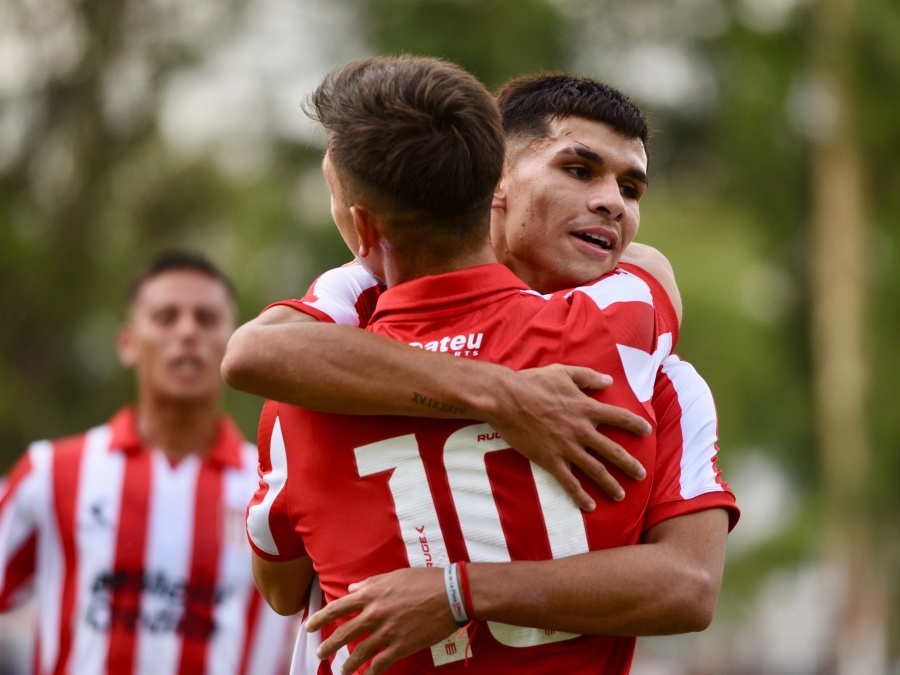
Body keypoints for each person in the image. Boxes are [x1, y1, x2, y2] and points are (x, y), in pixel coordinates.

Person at [238, 56, 738, 675]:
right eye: (578, 169)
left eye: (631, 188)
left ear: (363, 226)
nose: (611, 203)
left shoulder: (309, 389)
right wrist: (501, 393)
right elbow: (254, 352)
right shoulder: (636, 348)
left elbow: (282, 588)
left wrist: (457, 591)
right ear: (492, 182)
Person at [0, 251, 296, 674]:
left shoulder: (276, 488)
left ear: (233, 342)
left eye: (207, 319)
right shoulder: (51, 473)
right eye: (166, 317)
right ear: (128, 343)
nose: (188, 332)